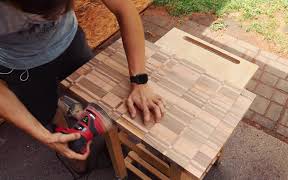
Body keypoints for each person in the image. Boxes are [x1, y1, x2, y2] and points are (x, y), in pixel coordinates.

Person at [0, 0, 165, 162]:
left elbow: (124, 7)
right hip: (19, 66)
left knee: (97, 101)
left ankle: (101, 136)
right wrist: (45, 136)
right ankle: (62, 130)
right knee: (46, 112)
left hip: (70, 41)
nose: (56, 19)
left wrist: (139, 80)